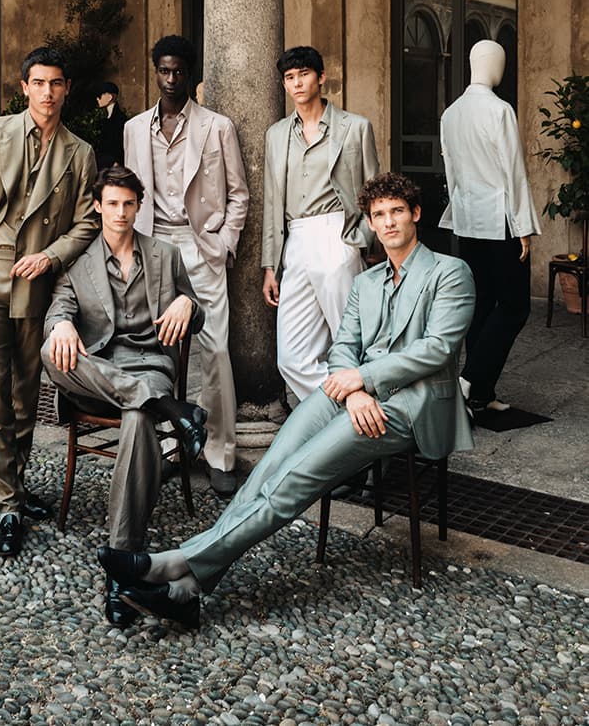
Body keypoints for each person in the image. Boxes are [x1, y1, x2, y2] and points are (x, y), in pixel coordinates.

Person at [97, 172, 475, 629]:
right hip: (355, 395)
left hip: (412, 406)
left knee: (297, 476)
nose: (389, 222)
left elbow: (437, 349)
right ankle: (188, 590)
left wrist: (362, 378)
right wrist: (354, 387)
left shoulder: (450, 272)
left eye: (398, 211)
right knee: (271, 466)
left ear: (416, 214)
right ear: (371, 224)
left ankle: (174, 563)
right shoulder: (367, 282)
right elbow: (342, 348)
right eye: (379, 215)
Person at [0, 46, 99, 558]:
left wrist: (51, 257)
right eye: (38, 83)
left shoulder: (80, 152)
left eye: (55, 83)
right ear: (24, 86)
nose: (46, 92)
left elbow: (88, 221)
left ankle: (18, 479)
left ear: (66, 88)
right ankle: (6, 501)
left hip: (35, 279)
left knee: (26, 393)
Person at [41, 164, 205, 627]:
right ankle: (174, 411)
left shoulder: (165, 255)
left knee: (137, 418)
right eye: (111, 203)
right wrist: (64, 325)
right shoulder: (79, 263)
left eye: (128, 204)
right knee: (51, 351)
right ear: (98, 206)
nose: (120, 212)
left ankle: (121, 568)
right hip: (99, 373)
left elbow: (198, 316)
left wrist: (187, 303)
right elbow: (57, 310)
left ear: (139, 206)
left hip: (149, 368)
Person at [124, 35, 249, 497]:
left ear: (191, 74)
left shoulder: (218, 127)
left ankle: (220, 452)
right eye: (164, 71)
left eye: (179, 71)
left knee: (214, 350)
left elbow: (239, 194)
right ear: (155, 72)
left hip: (202, 247)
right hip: (152, 248)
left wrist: (224, 243)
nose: (171, 79)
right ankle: (171, 446)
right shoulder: (135, 128)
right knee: (156, 350)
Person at [262, 46, 380, 401]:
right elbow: (271, 201)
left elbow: (374, 190)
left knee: (350, 341)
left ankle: (364, 427)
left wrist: (362, 242)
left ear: (321, 77)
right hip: (295, 242)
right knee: (292, 357)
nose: (297, 83)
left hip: (338, 236)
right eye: (289, 77)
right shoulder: (277, 134)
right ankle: (348, 414)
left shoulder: (355, 128)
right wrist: (270, 265)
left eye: (304, 74)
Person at [439, 39, 541, 414]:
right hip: (501, 221)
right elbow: (513, 172)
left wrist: (458, 215)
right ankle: (470, 380)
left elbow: (451, 173)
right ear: (491, 64)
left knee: (481, 304)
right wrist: (523, 225)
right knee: (515, 306)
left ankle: (481, 393)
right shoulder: (500, 110)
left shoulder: (450, 113)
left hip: (468, 221)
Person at [96, 81, 127, 168]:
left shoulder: (120, 119)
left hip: (113, 165)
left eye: (100, 96)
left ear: (109, 97)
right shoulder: (108, 118)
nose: (98, 99)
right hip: (105, 164)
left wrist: (117, 162)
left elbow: (120, 143)